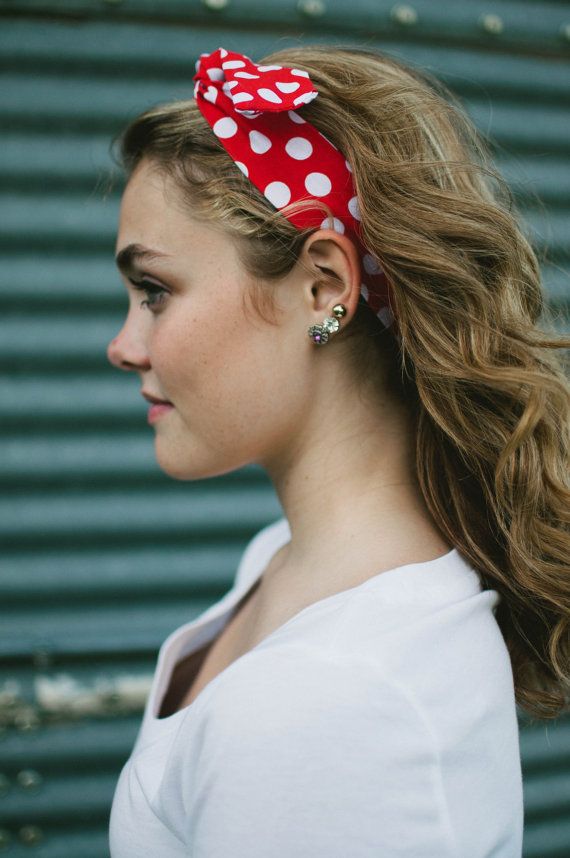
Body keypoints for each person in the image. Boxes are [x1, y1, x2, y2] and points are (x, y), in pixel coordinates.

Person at [105, 44, 570, 857]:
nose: (124, 345)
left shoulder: (340, 701)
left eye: (155, 292)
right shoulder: (282, 561)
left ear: (325, 287)